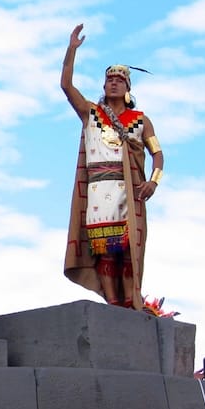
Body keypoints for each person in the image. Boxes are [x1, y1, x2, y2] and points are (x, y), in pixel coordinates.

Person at [61, 24, 164, 310]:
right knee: (106, 252)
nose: (113, 83)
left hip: (127, 190)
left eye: (119, 80)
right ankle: (113, 303)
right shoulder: (92, 113)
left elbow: (158, 154)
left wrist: (153, 181)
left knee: (128, 252)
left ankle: (131, 300)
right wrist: (72, 50)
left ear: (128, 88)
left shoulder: (140, 120)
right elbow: (66, 86)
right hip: (97, 189)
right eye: (109, 80)